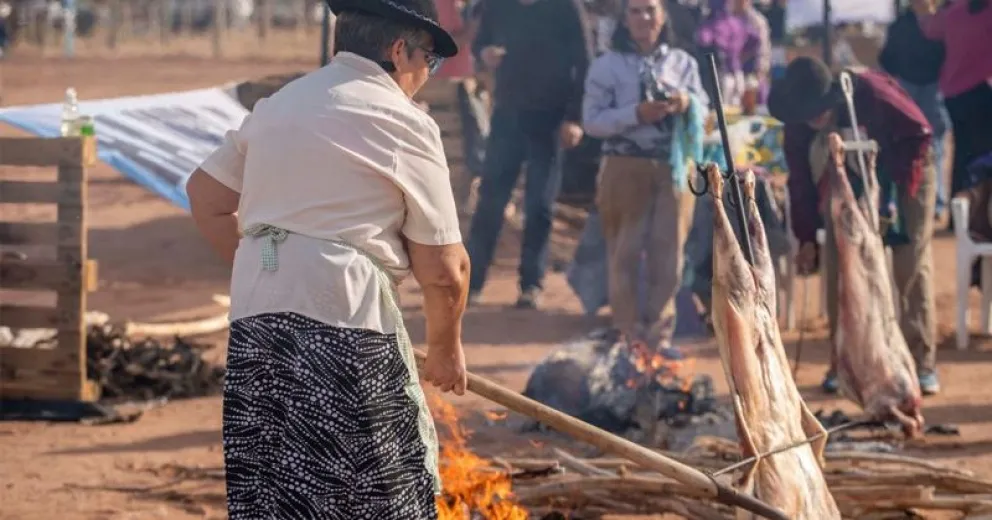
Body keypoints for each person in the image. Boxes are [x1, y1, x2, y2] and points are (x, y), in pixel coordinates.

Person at [185, 0, 470, 517]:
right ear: (399, 49)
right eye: (430, 58)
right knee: (379, 498)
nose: (428, 74)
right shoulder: (404, 122)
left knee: (275, 497)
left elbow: (204, 197)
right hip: (346, 321)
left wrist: (272, 270)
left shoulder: (280, 104)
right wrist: (447, 351)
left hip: (257, 321)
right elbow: (446, 270)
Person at [768, 57, 940, 396]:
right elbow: (800, 180)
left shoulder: (871, 93)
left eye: (818, 109)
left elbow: (919, 135)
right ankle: (845, 361)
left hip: (906, 174)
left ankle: (921, 363)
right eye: (807, 113)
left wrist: (888, 200)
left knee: (910, 266)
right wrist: (806, 237)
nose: (814, 116)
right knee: (842, 269)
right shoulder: (798, 122)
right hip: (844, 180)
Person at [582, 0, 708, 352]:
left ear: (663, 15)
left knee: (669, 255)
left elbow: (706, 110)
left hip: (673, 167)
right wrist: (635, 114)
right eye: (635, 11)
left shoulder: (683, 64)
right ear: (625, 19)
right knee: (623, 252)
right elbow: (592, 121)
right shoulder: (606, 66)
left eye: (650, 10)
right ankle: (627, 335)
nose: (644, 18)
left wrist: (686, 103)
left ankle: (658, 336)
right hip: (624, 167)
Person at [465, 0, 593, 309]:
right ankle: (472, 281)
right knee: (491, 201)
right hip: (508, 115)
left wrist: (574, 117)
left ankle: (531, 284)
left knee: (540, 205)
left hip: (550, 120)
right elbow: (480, 42)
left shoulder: (566, 8)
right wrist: (484, 54)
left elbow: (585, 62)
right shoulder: (500, 6)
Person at [912, 0, 992, 202]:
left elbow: (930, 30)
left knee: (962, 153)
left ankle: (959, 210)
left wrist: (926, 10)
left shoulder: (954, 11)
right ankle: (977, 212)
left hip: (953, 92)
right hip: (980, 90)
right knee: (982, 156)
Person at [879, 4, 950, 219]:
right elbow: (887, 58)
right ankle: (903, 201)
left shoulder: (940, 21)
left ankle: (935, 202)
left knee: (934, 145)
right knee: (906, 144)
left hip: (933, 88)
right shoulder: (902, 24)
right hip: (909, 89)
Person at [695, 0, 771, 106]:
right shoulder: (726, 20)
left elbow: (761, 53)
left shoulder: (756, 21)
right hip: (730, 73)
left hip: (735, 75)